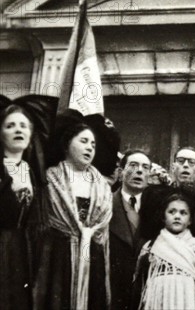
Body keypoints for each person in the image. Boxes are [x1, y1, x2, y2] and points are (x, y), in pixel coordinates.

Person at [34, 109, 116, 310]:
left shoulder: (102, 185)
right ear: (67, 144)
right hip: (57, 258)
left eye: (93, 144)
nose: (89, 148)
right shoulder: (51, 179)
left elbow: (101, 228)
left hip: (93, 260)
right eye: (84, 141)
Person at [0, 95, 57, 310]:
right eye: (10, 125)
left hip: (25, 252)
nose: (18, 130)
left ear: (31, 134)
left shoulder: (33, 173)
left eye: (23, 126)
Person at [133, 193, 195, 310]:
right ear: (163, 217)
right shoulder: (151, 246)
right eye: (172, 212)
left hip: (187, 299)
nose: (177, 216)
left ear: (190, 220)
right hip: (157, 300)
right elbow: (140, 283)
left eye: (183, 213)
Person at [139, 147, 195, 241]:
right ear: (173, 167)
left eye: (191, 162)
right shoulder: (157, 193)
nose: (186, 165)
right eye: (181, 161)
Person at [110, 149, 151, 310]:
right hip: (112, 290)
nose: (140, 170)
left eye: (145, 167)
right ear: (120, 173)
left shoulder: (158, 209)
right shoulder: (104, 204)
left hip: (146, 293)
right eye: (133, 165)